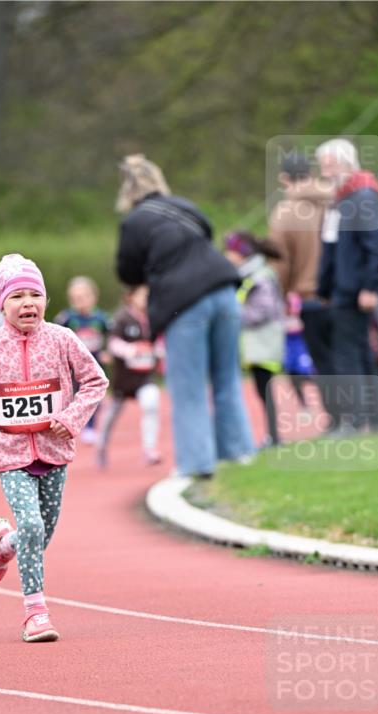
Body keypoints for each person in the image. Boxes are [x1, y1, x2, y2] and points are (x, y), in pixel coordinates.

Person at [0, 254, 108, 643]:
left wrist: (71, 419)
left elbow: (95, 381)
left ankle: (1, 545)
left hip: (54, 451)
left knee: (38, 536)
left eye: (35, 295)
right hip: (10, 454)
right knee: (32, 525)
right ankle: (35, 614)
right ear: (1, 304)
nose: (28, 303)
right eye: (17, 296)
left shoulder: (62, 339)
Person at [115, 154, 254, 477]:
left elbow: (127, 272)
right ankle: (238, 453)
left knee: (188, 386)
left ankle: (197, 464)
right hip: (224, 291)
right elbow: (207, 231)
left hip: (184, 303)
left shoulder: (134, 222)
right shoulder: (185, 206)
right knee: (227, 378)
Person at [316, 139, 378, 432]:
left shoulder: (362, 197)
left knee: (349, 355)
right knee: (357, 352)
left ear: (345, 162)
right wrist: (325, 290)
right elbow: (332, 250)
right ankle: (374, 419)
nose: (323, 170)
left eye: (328, 163)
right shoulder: (344, 199)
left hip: (355, 290)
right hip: (343, 291)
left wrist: (370, 286)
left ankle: (358, 421)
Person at [268, 151, 337, 426]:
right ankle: (375, 416)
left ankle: (339, 419)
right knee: (351, 354)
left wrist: (282, 296)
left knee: (324, 361)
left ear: (284, 179)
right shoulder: (337, 200)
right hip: (345, 293)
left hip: (310, 297)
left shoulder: (284, 213)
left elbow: (280, 263)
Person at [224, 231, 286, 447]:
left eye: (230, 251)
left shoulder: (258, 277)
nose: (227, 256)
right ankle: (273, 436)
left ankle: (274, 436)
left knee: (265, 392)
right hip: (257, 344)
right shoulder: (250, 275)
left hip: (264, 342)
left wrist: (234, 314)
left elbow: (264, 310)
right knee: (262, 392)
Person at [96, 285, 163, 468]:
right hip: (124, 379)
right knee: (112, 415)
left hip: (145, 377)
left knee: (151, 403)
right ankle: (101, 445)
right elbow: (112, 342)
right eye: (142, 296)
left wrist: (159, 353)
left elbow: (159, 341)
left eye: (149, 296)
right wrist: (131, 350)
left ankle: (149, 449)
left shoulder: (153, 318)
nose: (145, 300)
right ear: (131, 296)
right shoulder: (122, 318)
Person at [54, 276, 111, 443]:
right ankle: (69, 423)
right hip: (72, 367)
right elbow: (55, 337)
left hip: (95, 364)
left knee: (94, 394)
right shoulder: (66, 319)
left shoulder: (102, 319)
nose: (80, 302)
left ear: (93, 297)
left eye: (83, 297)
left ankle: (91, 426)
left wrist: (107, 351)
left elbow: (112, 336)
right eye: (75, 298)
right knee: (73, 395)